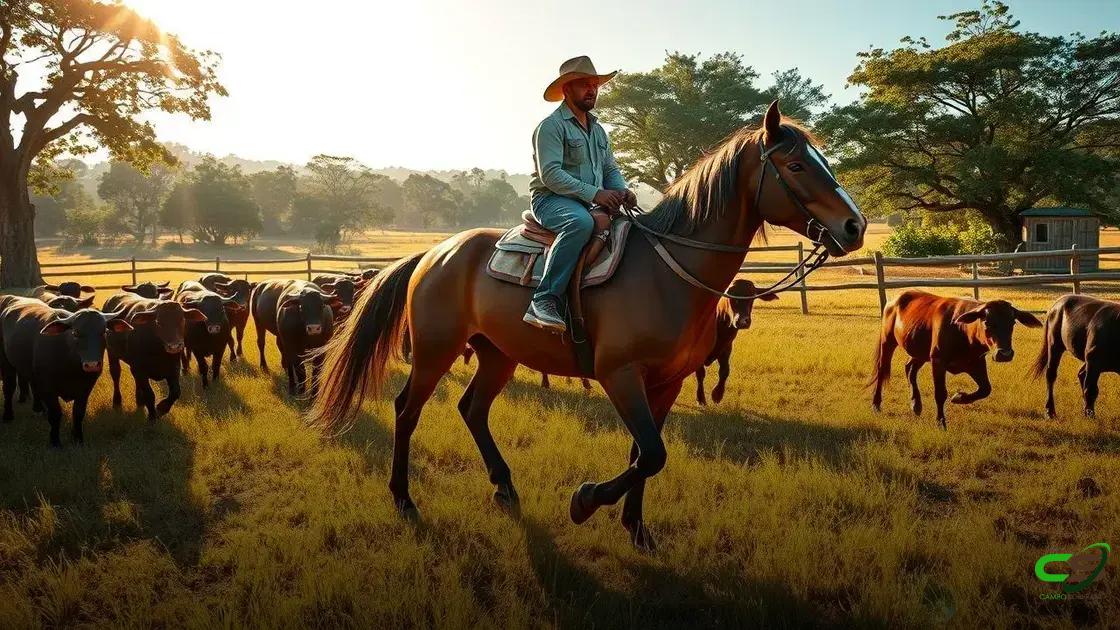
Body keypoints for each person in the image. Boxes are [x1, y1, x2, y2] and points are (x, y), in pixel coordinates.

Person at [523, 55, 637, 333]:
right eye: (584, 84)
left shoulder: (598, 130)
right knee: (580, 223)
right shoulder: (551, 127)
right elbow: (551, 175)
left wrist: (621, 190)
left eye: (595, 84)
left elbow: (610, 168)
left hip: (586, 200)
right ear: (566, 90)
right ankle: (544, 299)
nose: (592, 89)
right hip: (551, 200)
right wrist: (596, 194)